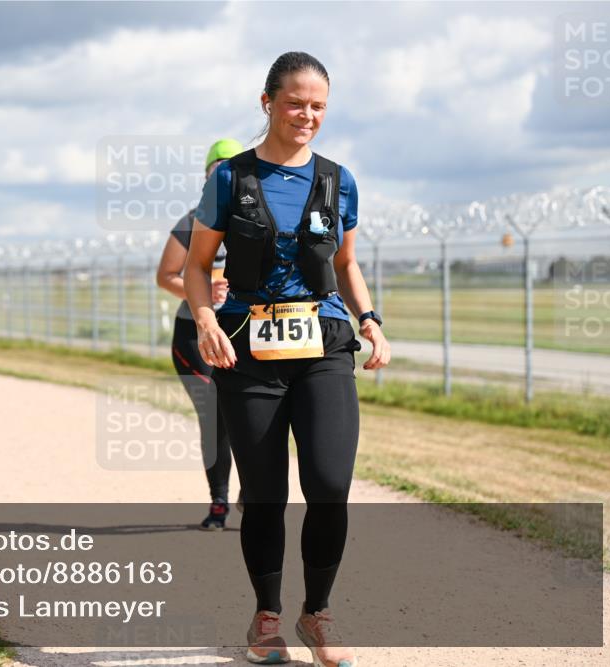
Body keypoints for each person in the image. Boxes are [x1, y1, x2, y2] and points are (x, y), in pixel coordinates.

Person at [184, 52, 390, 666]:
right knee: (267, 492)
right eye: (296, 102)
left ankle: (316, 613)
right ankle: (266, 616)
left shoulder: (337, 179)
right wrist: (203, 321)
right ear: (267, 101)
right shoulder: (229, 179)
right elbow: (197, 267)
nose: (308, 115)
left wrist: (371, 321)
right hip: (249, 349)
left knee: (329, 484)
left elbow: (346, 263)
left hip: (324, 345)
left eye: (319, 106)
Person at [157, 138, 243, 531]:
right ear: (206, 176)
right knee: (216, 415)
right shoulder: (192, 221)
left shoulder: (254, 218)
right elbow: (166, 276)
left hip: (244, 331)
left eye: (233, 168)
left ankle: (253, 491)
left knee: (252, 414)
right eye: (216, 169)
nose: (224, 175)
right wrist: (202, 289)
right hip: (194, 334)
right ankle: (219, 502)